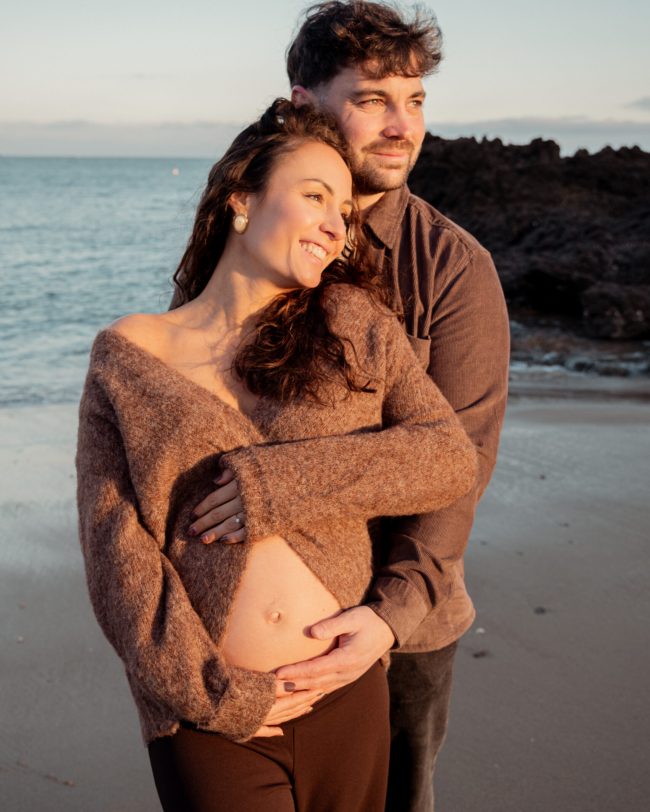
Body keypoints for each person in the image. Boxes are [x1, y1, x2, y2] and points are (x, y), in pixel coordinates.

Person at [76, 99, 478, 812]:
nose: (335, 225)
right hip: (211, 714)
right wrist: (211, 695)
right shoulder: (128, 357)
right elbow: (117, 552)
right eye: (314, 197)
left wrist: (280, 483)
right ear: (241, 198)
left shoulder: (353, 324)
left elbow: (447, 456)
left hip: (344, 691)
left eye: (346, 214)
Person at [182, 4, 510, 810]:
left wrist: (385, 621)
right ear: (304, 104)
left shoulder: (454, 270)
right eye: (372, 99)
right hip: (244, 623)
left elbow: (453, 470)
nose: (403, 126)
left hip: (394, 629)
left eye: (417, 100)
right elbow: (193, 422)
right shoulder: (254, 239)